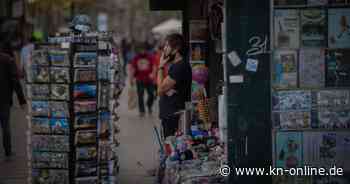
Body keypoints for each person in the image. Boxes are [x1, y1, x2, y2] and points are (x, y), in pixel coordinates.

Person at [157, 34, 192, 138]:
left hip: (173, 116)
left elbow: (160, 90)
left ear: (176, 49)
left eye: (167, 46)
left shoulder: (180, 67)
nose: (164, 49)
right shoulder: (176, 65)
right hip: (169, 115)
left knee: (171, 146)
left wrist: (160, 67)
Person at [0, 34, 27, 160]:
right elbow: (15, 81)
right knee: (5, 126)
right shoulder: (8, 60)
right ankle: (8, 152)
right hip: (4, 99)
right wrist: (22, 100)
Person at [129, 43, 156, 117]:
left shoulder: (150, 57)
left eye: (143, 49)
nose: (142, 51)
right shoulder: (136, 58)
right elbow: (133, 68)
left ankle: (149, 105)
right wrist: (131, 78)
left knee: (151, 94)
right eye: (140, 50)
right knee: (140, 95)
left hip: (149, 79)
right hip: (139, 79)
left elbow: (154, 66)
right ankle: (142, 111)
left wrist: (153, 74)